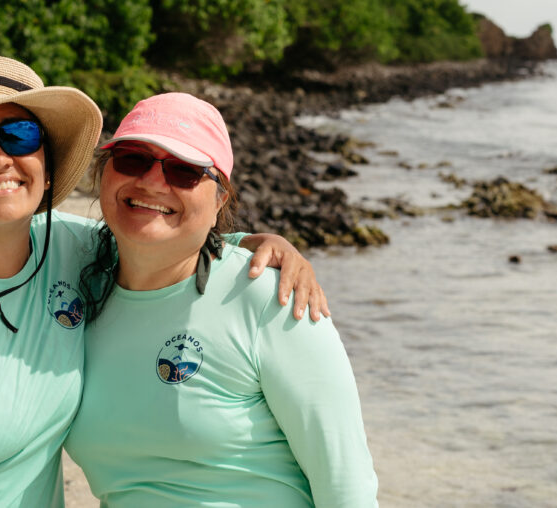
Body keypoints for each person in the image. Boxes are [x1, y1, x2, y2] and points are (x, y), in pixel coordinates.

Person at [0, 54, 327, 507]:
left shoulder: (70, 249)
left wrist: (257, 246)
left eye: (18, 134)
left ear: (46, 163)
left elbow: (160, 235)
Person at [63, 93, 379, 507]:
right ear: (103, 174)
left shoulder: (270, 296)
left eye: (184, 171)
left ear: (220, 200)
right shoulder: (72, 268)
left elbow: (346, 484)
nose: (153, 182)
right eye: (132, 158)